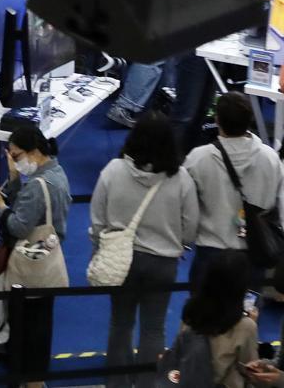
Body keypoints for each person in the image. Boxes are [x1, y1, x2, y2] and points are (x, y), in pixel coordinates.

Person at [91, 112, 200, 388]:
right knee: (154, 328)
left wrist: (100, 249)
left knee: (120, 324)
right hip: (163, 263)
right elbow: (191, 227)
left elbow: (97, 221)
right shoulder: (181, 179)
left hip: (121, 261)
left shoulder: (112, 171)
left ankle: (116, 384)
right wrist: (177, 243)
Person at [0, 124, 69, 386]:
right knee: (41, 326)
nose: (14, 161)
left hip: (29, 268)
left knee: (27, 329)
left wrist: (1, 206)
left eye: (16, 156)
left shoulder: (37, 186)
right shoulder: (57, 173)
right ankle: (36, 379)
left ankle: (27, 379)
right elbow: (31, 208)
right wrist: (13, 180)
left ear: (33, 151)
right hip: (49, 260)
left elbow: (19, 226)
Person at [184, 92, 282, 286]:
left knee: (203, 306)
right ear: (250, 119)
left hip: (210, 253)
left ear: (217, 119)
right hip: (255, 253)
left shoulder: (198, 158)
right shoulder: (271, 159)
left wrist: (185, 239)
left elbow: (185, 206)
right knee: (247, 306)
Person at [173, 255, 262, 388]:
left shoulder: (191, 311)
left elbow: (180, 351)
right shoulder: (245, 326)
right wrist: (253, 323)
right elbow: (250, 370)